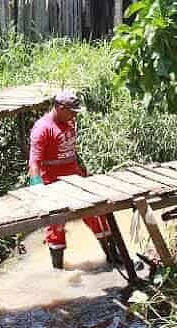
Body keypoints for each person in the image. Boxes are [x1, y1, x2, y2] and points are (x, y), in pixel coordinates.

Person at [28, 91, 120, 270]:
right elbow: (34, 162)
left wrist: (83, 172)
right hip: (53, 185)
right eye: (72, 111)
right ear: (60, 108)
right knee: (56, 226)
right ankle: (58, 272)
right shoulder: (42, 128)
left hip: (76, 180)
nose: (75, 115)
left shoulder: (69, 121)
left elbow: (70, 152)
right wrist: (37, 188)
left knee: (96, 216)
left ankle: (114, 259)